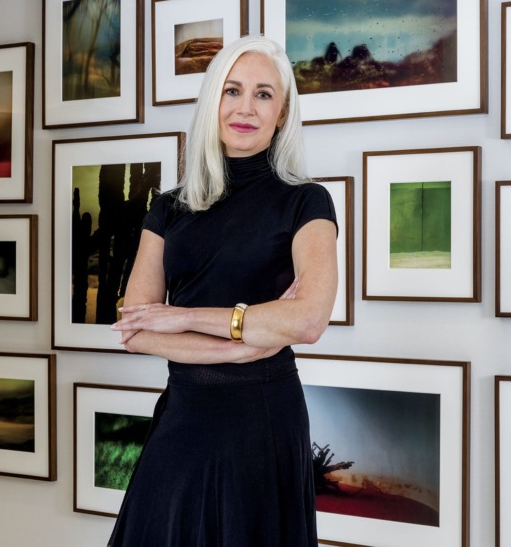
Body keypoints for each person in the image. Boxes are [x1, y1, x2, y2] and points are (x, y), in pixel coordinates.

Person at [107, 35, 338, 546]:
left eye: (263, 94)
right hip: (186, 413)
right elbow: (134, 327)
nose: (245, 108)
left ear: (282, 113)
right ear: (213, 101)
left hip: (263, 423)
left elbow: (306, 321)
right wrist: (245, 345)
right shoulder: (168, 208)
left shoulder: (307, 202)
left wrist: (185, 317)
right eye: (232, 91)